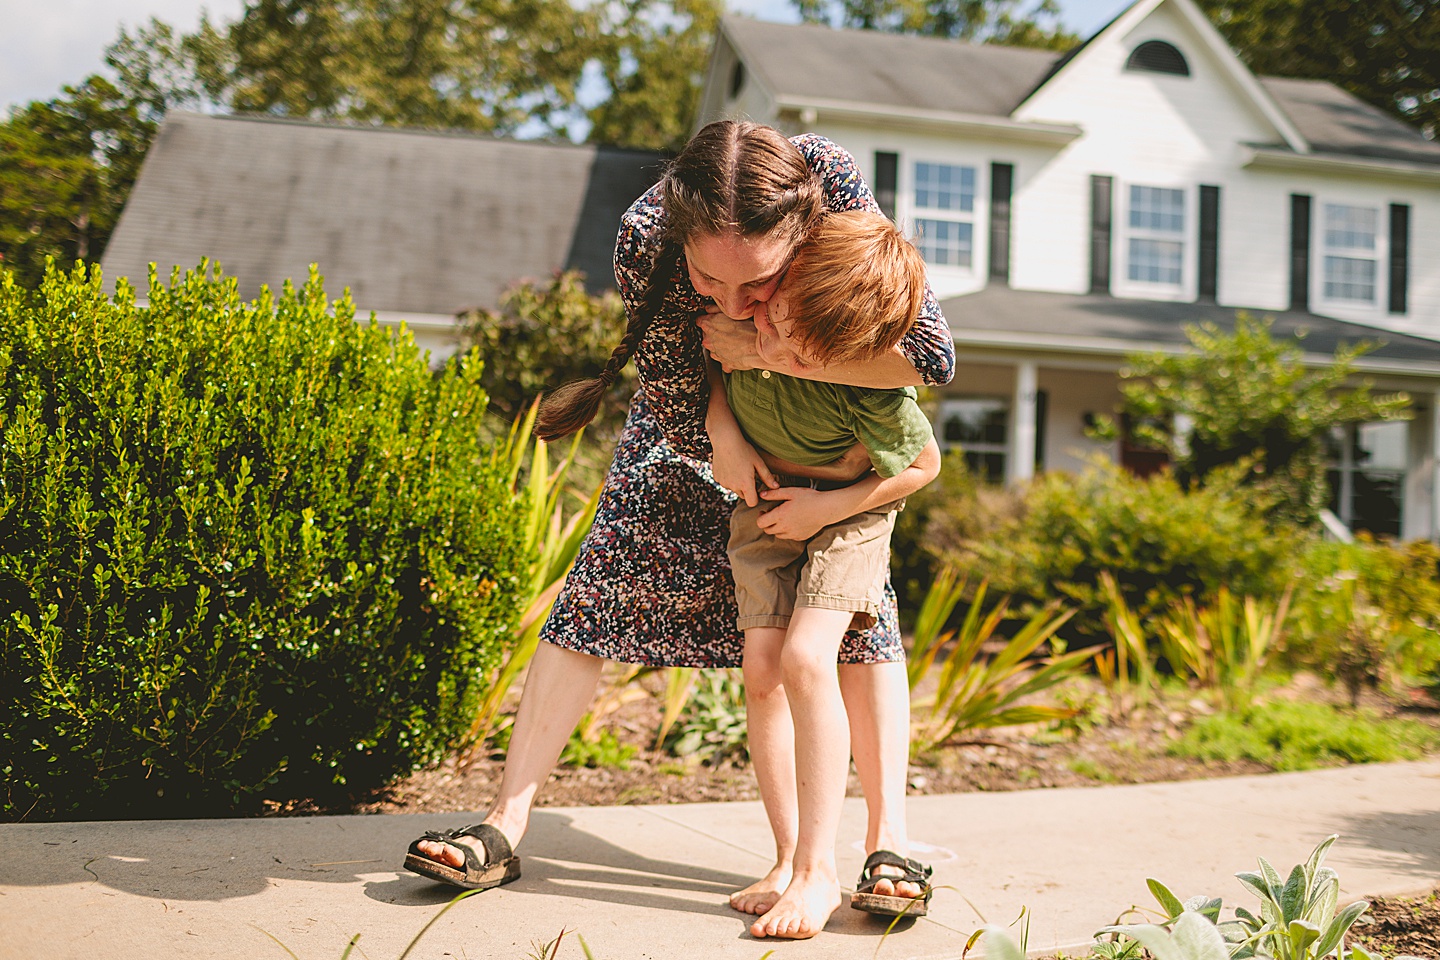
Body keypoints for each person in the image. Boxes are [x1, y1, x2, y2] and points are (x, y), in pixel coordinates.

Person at [402, 120, 955, 939]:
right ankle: (504, 824)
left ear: (801, 234)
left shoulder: (828, 181)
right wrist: (723, 433)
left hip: (829, 446)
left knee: (849, 633)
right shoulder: (642, 234)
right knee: (598, 593)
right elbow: (669, 376)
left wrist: (770, 354)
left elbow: (924, 355)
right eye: (709, 278)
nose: (731, 302)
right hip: (698, 422)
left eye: (758, 281)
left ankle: (886, 846)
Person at [711, 208, 943, 938]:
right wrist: (726, 427)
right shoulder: (759, 323)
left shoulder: (862, 379)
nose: (772, 346)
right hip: (771, 504)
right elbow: (719, 375)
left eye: (801, 350)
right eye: (773, 322)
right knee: (762, 667)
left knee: (811, 657)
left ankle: (820, 872)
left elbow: (922, 465)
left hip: (848, 511)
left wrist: (830, 505)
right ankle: (786, 860)